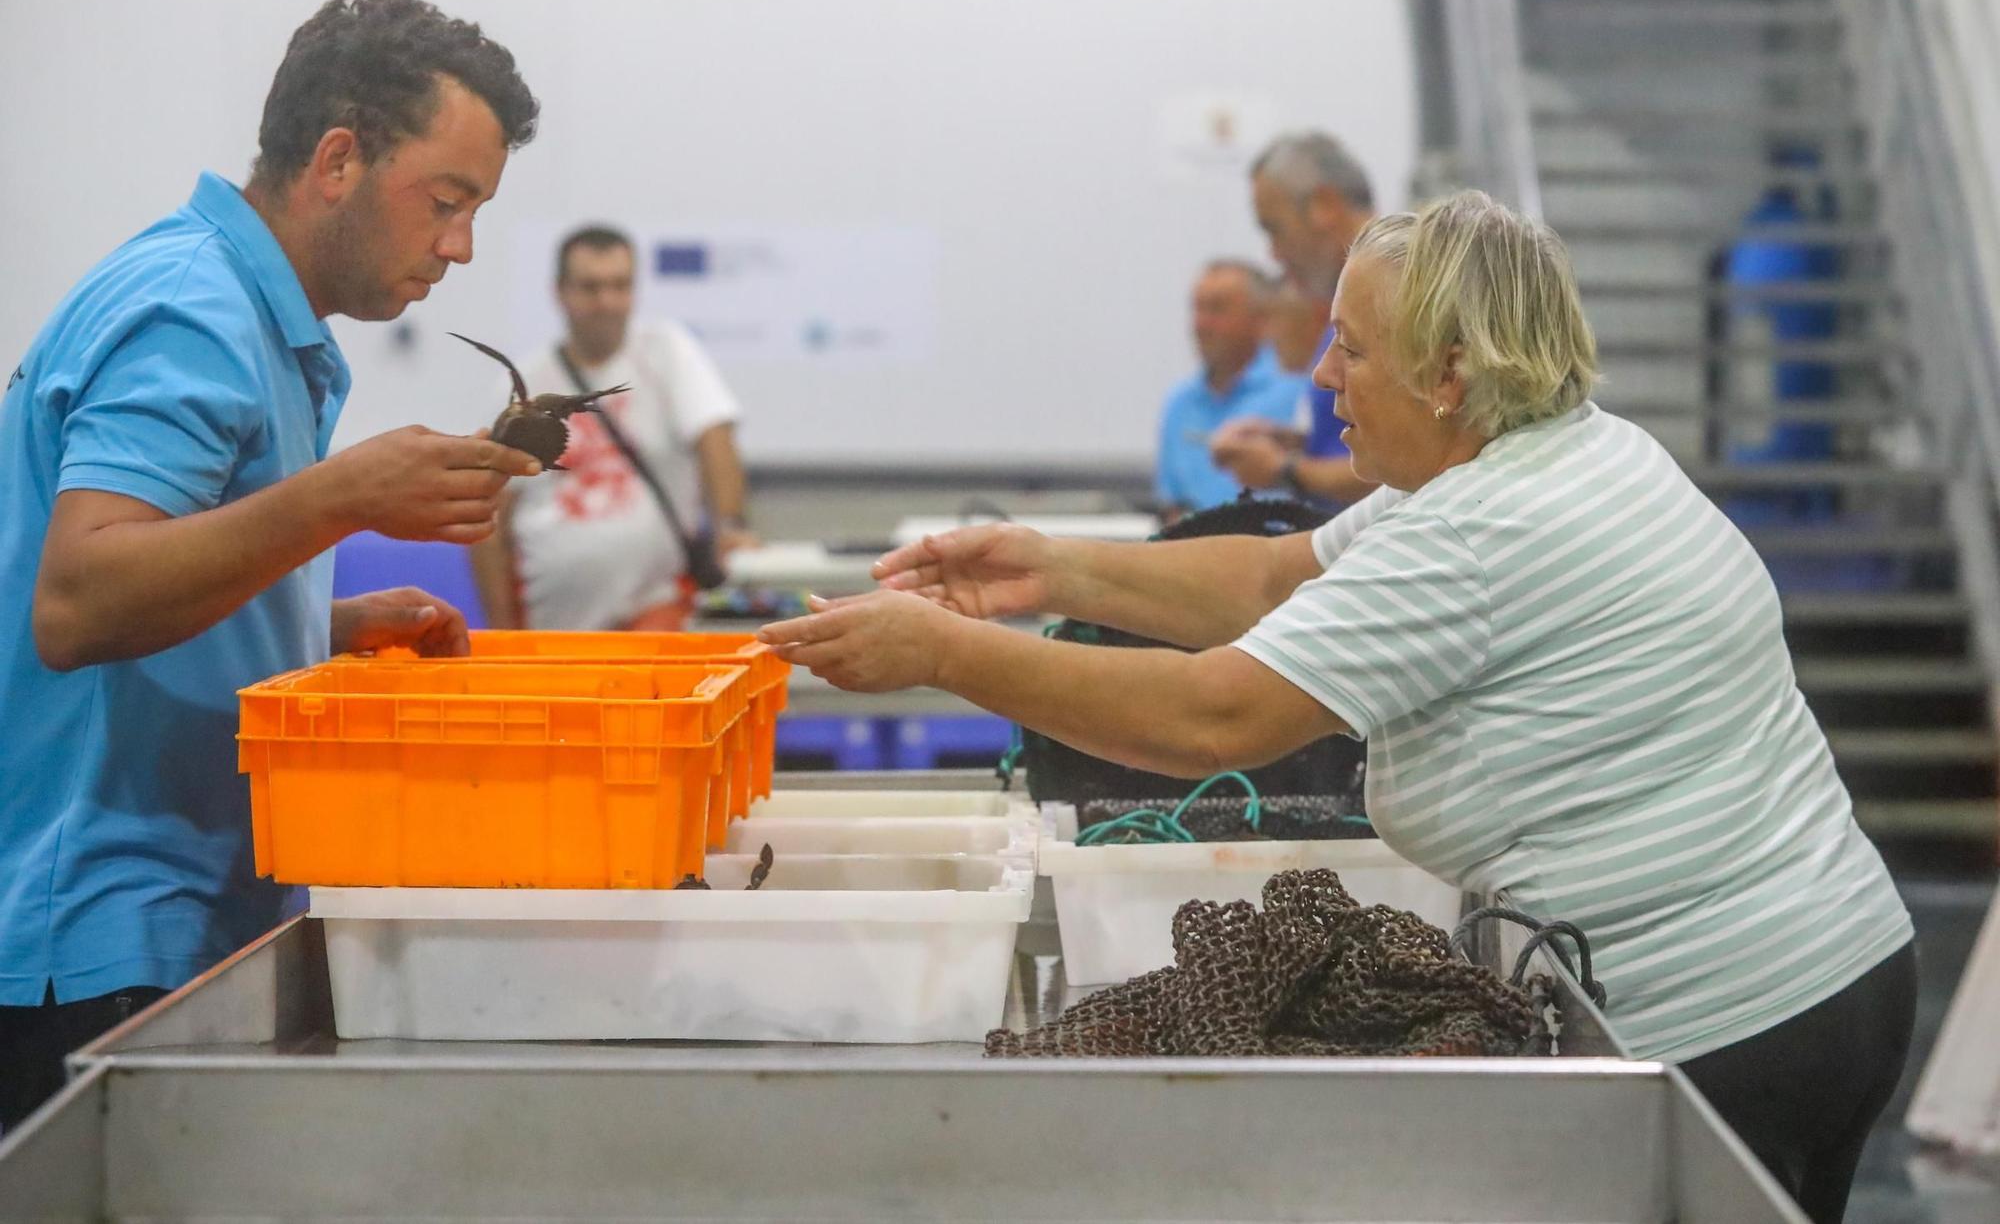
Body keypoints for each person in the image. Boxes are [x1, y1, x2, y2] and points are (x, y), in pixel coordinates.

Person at [760, 190, 1915, 1224]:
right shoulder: (1561, 456)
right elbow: (1273, 577)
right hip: (1838, 963)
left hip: (1724, 1024)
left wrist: (949, 654)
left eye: (1350, 349)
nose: (1321, 377)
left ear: (1448, 373)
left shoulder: (1478, 531)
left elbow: (1215, 719)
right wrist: (1049, 570)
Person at [0, 0, 543, 1131]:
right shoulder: (192, 311)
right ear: (338, 160)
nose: (459, 246)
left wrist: (319, 626)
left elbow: (153, 577)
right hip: (103, 933)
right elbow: (80, 600)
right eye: (445, 202)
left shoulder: (244, 312)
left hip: (170, 915)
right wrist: (342, 498)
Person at [470, 225, 755, 632]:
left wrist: (730, 527)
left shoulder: (665, 351)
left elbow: (714, 437)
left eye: (620, 286)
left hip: (657, 606)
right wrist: (502, 636)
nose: (607, 302)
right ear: (560, 292)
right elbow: (490, 514)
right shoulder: (522, 386)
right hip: (553, 625)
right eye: (591, 287)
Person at [1210, 131, 1377, 508]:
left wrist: (1286, 470)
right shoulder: (1347, 309)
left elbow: (1416, 464)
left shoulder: (1398, 292)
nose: (1273, 253)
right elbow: (1375, 439)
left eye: (1274, 228)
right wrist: (1291, 442)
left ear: (1324, 205)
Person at [1153, 259, 1305, 518]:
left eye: (1217, 309)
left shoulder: (1298, 388)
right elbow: (1172, 505)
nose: (1201, 324)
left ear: (1261, 320)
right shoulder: (1179, 403)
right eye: (1197, 309)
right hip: (1195, 540)